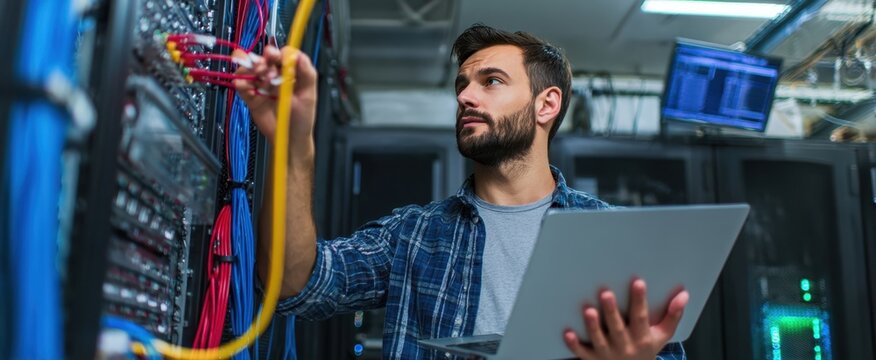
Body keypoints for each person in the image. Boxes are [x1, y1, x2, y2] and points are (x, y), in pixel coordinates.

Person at [233, 24, 689, 360]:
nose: (466, 97)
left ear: (546, 104)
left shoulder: (611, 234)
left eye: (491, 81)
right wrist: (294, 143)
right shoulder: (415, 234)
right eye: (462, 85)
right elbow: (297, 285)